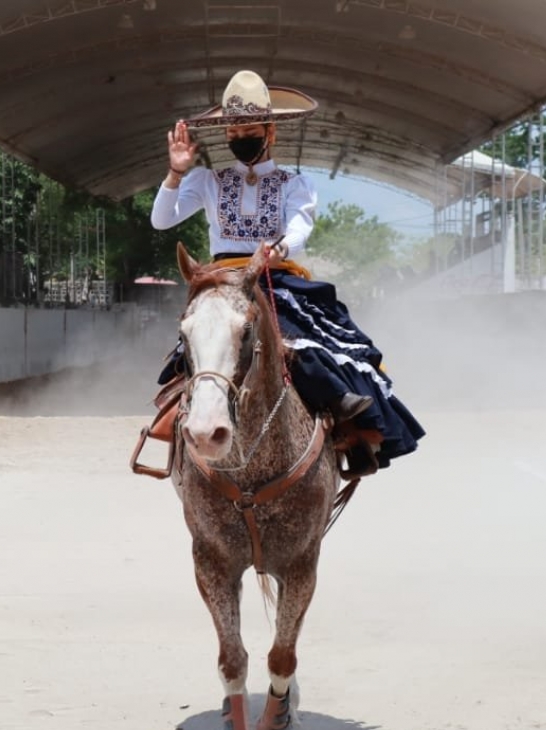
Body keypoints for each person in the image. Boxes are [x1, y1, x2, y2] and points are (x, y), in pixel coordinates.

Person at [150, 70, 424, 475]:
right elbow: (162, 219)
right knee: (191, 350)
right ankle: (174, 423)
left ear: (270, 132)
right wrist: (175, 173)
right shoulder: (207, 180)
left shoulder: (296, 183)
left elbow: (299, 228)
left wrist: (277, 249)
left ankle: (346, 424)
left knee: (309, 343)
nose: (239, 134)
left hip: (274, 276)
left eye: (248, 127)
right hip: (222, 280)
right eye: (233, 129)